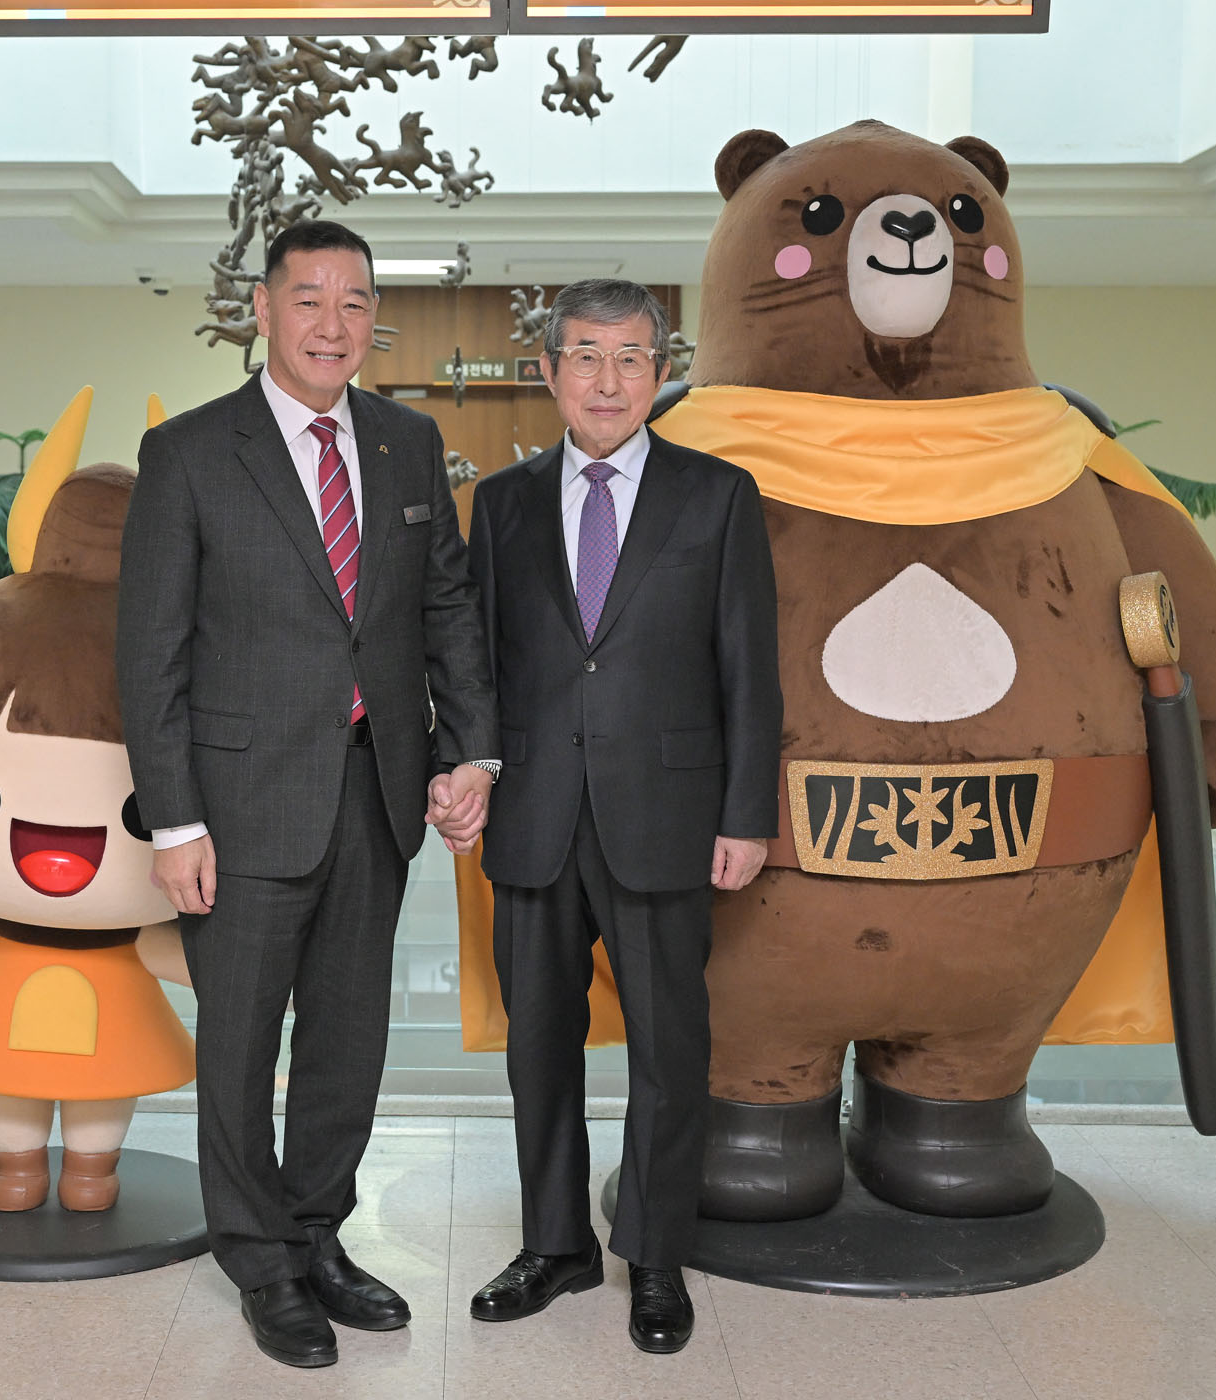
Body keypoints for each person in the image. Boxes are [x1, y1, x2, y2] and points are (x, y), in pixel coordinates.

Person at [117, 220, 499, 1370]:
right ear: (264, 310)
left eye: (355, 302)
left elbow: (443, 608)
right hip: (237, 805)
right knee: (239, 1043)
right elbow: (151, 651)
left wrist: (472, 752)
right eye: (310, 299)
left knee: (348, 1033)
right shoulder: (190, 451)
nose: (334, 324)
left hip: (376, 787)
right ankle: (260, 1258)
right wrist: (176, 818)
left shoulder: (406, 441)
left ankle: (318, 1230)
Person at [464, 279, 781, 1353]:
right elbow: (480, 665)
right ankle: (553, 1243)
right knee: (539, 1047)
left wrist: (746, 814)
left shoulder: (717, 495)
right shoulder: (502, 504)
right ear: (550, 371)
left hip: (670, 812)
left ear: (660, 372)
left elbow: (749, 664)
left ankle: (653, 1255)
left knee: (668, 1049)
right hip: (535, 814)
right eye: (587, 357)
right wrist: (468, 769)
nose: (608, 380)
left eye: (631, 358)